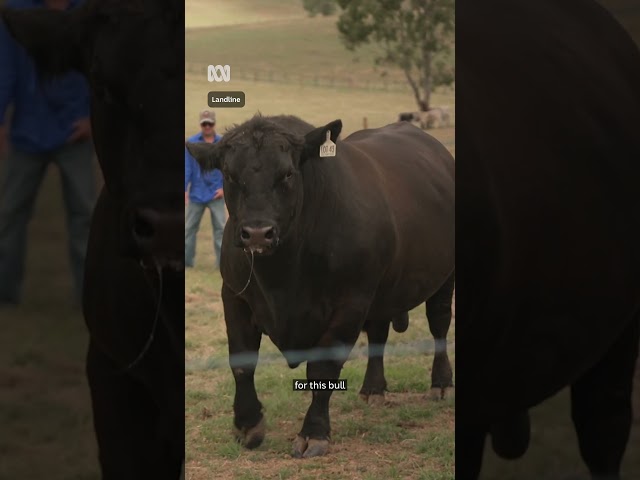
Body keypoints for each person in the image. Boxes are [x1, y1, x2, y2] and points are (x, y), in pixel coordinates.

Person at [0, 0, 96, 306]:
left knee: (85, 217)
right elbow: (5, 70)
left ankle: (88, 298)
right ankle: (4, 294)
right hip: (28, 130)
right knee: (9, 214)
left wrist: (95, 118)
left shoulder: (92, 12)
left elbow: (108, 65)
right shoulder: (16, 13)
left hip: (77, 131)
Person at [184, 110, 226, 269]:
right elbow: (187, 168)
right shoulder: (191, 143)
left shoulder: (222, 143)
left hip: (216, 194)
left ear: (214, 124)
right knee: (188, 230)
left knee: (220, 232)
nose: (207, 126)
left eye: (210, 123)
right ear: (201, 124)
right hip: (197, 193)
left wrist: (223, 189)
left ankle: (222, 265)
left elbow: (227, 168)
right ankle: (187, 263)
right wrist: (184, 190)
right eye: (204, 124)